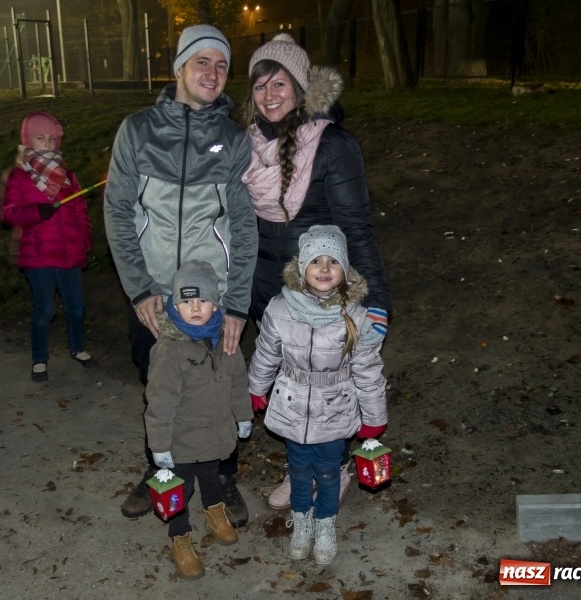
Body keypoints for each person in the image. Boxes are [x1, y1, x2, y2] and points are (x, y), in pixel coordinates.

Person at [104, 25, 257, 524]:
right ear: (178, 68)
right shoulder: (137, 130)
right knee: (160, 384)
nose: (212, 73)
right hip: (153, 294)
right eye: (202, 61)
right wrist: (139, 288)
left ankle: (223, 477)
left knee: (217, 385)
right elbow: (118, 211)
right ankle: (161, 471)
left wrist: (236, 303)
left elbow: (243, 225)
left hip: (210, 297)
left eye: (221, 65)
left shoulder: (233, 140)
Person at [241, 34, 393, 510]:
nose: (269, 94)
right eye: (261, 85)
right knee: (290, 382)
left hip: (322, 288)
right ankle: (298, 467)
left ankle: (336, 467)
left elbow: (357, 228)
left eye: (280, 83)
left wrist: (378, 301)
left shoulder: (332, 145)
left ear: (301, 87)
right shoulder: (245, 145)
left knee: (331, 379)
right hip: (265, 287)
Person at [247, 225, 387, 565]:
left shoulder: (354, 316)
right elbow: (266, 351)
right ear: (301, 268)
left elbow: (368, 370)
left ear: (344, 270)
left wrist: (374, 417)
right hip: (292, 403)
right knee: (297, 469)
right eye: (315, 261)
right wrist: (256, 387)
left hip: (335, 408)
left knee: (327, 471)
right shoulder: (279, 307)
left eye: (333, 262)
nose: (324, 269)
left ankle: (325, 523)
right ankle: (303, 520)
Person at [145, 259, 253, 579]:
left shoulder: (226, 339)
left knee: (211, 476)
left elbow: (237, 381)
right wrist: (160, 445)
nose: (195, 307)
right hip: (180, 440)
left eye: (203, 300)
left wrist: (243, 415)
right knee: (179, 490)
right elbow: (160, 401)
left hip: (214, 434)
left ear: (215, 304)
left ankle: (214, 513)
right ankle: (180, 538)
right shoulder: (170, 349)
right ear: (175, 305)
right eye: (187, 300)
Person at [1, 111, 96, 383]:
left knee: (76, 307)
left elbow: (80, 212)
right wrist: (35, 212)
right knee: (45, 310)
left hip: (69, 253)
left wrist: (84, 240)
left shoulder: (68, 175)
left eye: (52, 139)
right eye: (40, 138)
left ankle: (77, 348)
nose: (47, 143)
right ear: (28, 141)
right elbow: (9, 213)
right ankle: (39, 358)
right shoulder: (20, 176)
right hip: (39, 255)